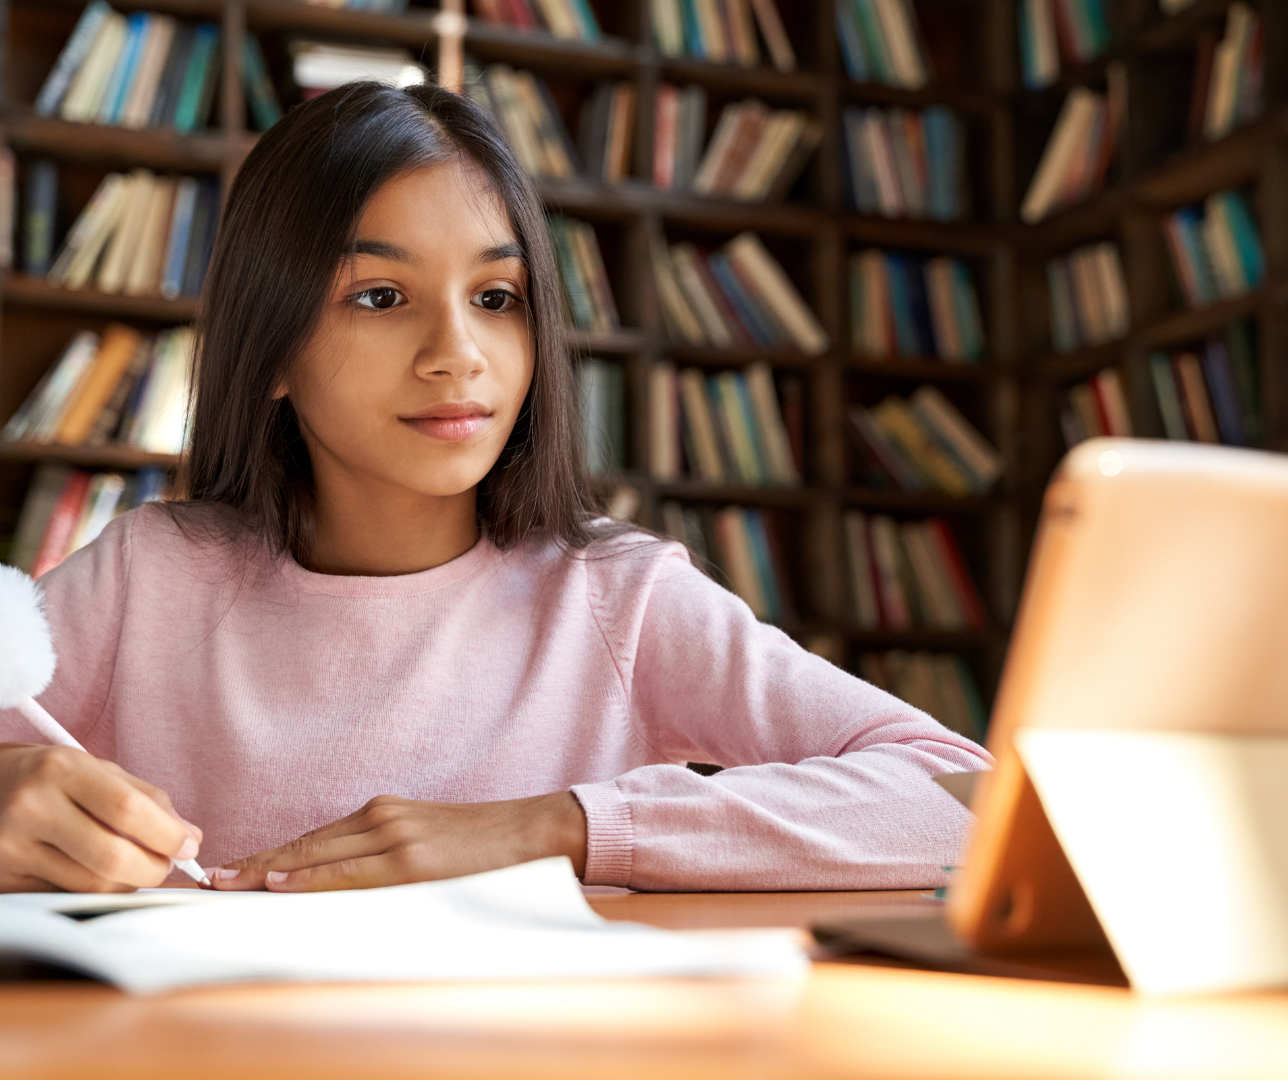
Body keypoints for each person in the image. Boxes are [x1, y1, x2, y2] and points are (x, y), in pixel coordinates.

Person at [0, 83, 990, 895]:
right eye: (379, 297)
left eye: (496, 298)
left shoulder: (615, 597)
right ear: (271, 351)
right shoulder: (147, 574)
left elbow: (963, 796)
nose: (457, 355)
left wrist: (557, 828)